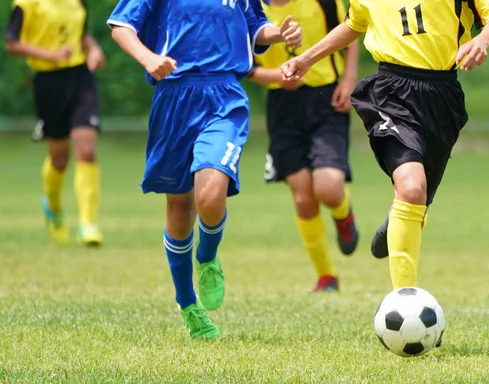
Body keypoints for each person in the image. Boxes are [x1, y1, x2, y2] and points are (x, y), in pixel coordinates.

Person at [281, 0, 489, 291]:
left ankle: (398, 218)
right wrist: (306, 59)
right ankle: (404, 299)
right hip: (391, 91)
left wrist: (481, 40)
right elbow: (354, 24)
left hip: (443, 96)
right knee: (412, 188)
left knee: (418, 201)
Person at [108, 0, 302, 340]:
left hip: (225, 95)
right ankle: (187, 304)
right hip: (174, 98)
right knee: (180, 207)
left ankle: (208, 257)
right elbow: (121, 25)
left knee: (211, 196)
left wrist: (279, 33)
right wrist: (149, 58)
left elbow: (255, 26)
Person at [247, 0, 359, 293]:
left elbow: (353, 27)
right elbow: (246, 69)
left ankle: (343, 215)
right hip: (283, 107)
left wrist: (348, 79)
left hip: (326, 99)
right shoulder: (250, 8)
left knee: (328, 188)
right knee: (303, 199)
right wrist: (279, 78)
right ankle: (327, 276)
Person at [4, 0, 106, 246]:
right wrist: (50, 54)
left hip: (81, 78)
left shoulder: (77, 2)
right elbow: (11, 44)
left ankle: (87, 223)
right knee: (60, 158)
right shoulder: (26, 4)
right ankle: (53, 207)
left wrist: (93, 49)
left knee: (87, 150)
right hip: (48, 82)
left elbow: (81, 33)